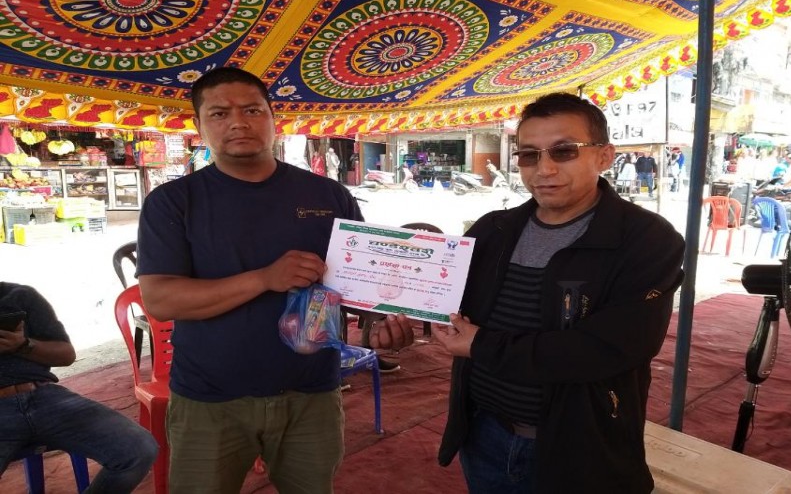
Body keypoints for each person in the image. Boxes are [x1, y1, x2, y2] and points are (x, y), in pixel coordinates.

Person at [136, 67, 413, 493]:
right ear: (199, 125)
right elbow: (161, 299)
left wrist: (384, 322)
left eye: (252, 110)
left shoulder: (328, 195)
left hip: (312, 392)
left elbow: (359, 281)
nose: (238, 123)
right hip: (211, 398)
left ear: (272, 117)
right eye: (219, 113)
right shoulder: (173, 202)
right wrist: (265, 278)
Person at [432, 92, 685, 493]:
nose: (544, 169)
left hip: (581, 449)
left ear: (604, 156)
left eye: (564, 151)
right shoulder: (493, 229)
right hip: (484, 434)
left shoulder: (646, 240)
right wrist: (401, 318)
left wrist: (482, 345)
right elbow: (449, 307)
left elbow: (610, 348)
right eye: (529, 155)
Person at [0, 282, 158, 492]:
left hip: (44, 397)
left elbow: (66, 355)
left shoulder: (21, 296)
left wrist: (23, 345)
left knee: (139, 449)